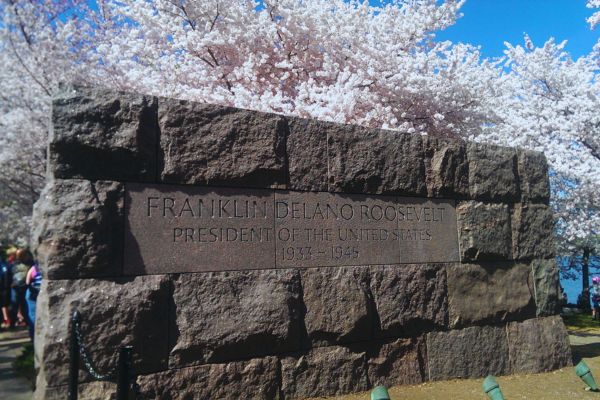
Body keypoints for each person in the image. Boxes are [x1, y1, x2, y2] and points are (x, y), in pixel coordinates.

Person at [11, 248, 31, 328]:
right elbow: (10, 274)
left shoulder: (29, 264)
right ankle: (12, 322)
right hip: (15, 287)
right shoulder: (14, 264)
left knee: (24, 305)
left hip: (25, 287)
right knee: (14, 304)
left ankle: (27, 321)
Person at [25, 261, 41, 340]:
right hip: (41, 293)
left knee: (32, 315)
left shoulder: (34, 268)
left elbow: (27, 282)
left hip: (32, 294)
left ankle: (33, 336)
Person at [0, 249, 12, 329]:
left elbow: (9, 274)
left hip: (5, 288)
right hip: (4, 287)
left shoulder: (5, 264)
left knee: (4, 305)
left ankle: (7, 320)